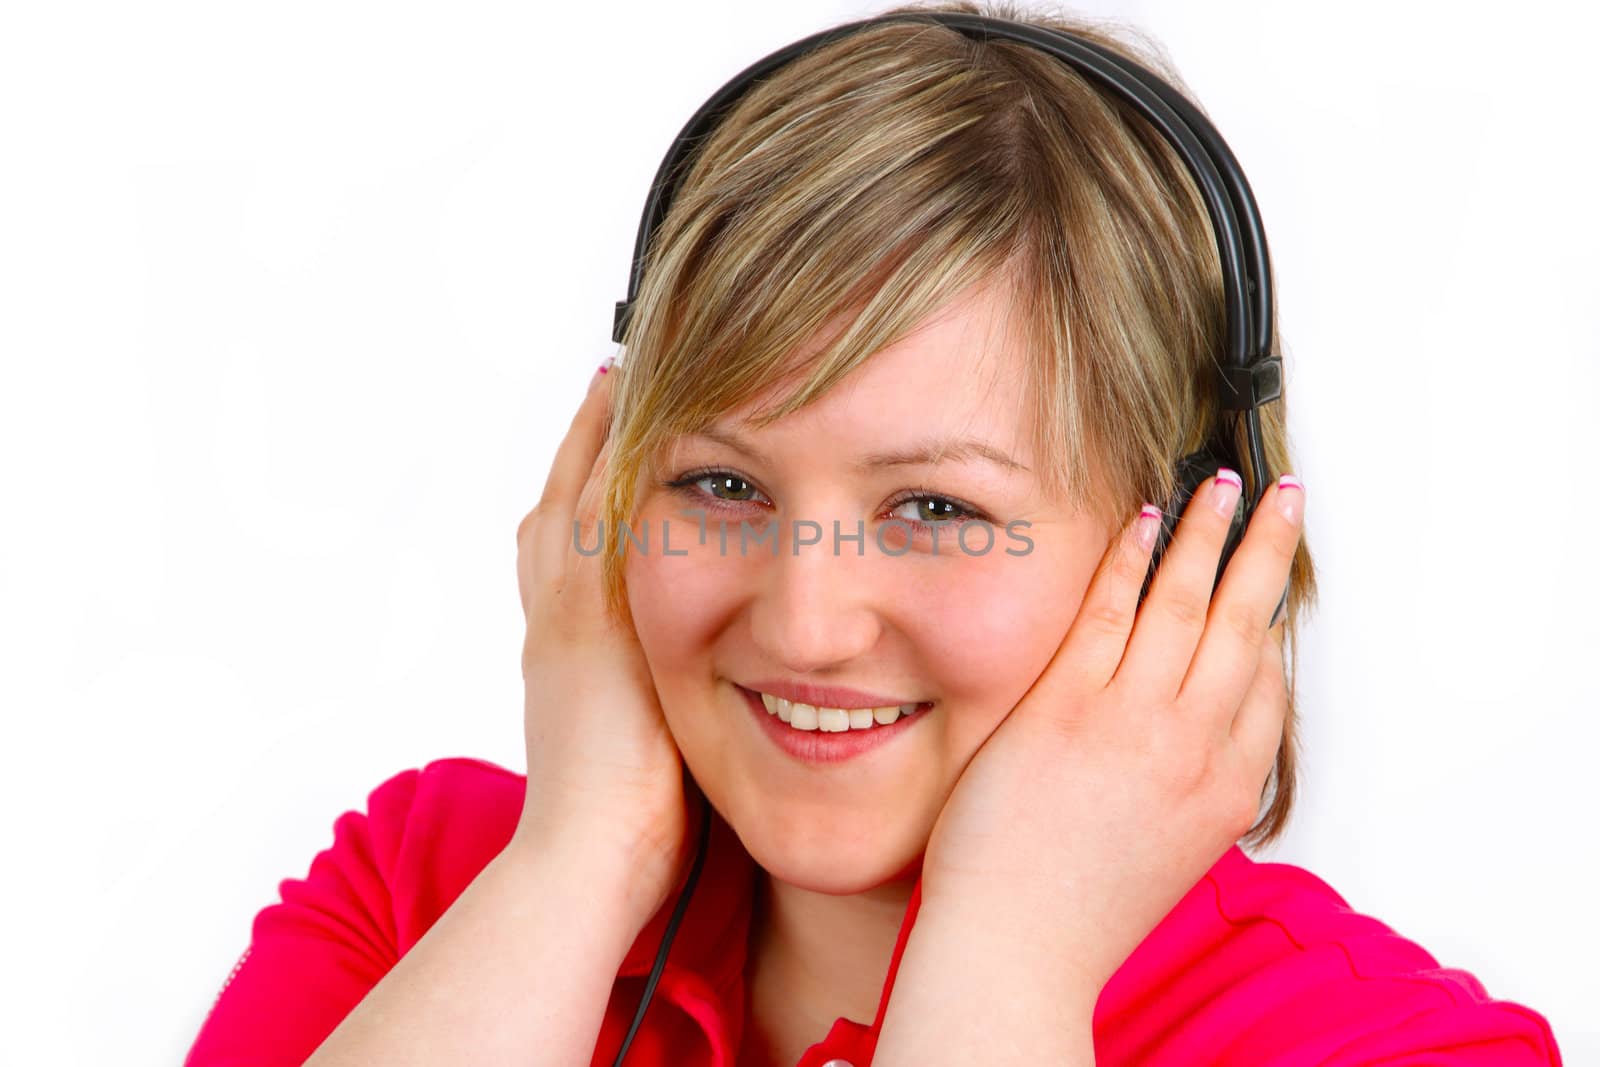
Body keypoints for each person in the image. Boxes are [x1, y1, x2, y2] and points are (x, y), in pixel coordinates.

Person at [181, 2, 1566, 1064]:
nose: (805, 623)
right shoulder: (430, 887)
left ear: (1188, 553)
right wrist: (584, 855)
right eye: (720, 486)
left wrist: (1006, 960)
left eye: (936, 510)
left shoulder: (1391, 1047)